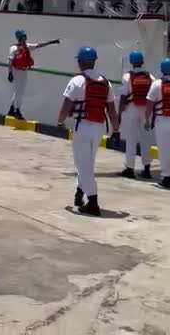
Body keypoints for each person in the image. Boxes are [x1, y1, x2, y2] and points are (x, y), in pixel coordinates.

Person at [57, 47, 119, 216]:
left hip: (82, 126)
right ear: (94, 61)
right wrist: (117, 130)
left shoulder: (76, 81)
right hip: (98, 127)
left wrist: (60, 121)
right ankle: (79, 193)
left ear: (80, 62)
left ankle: (93, 202)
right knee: (88, 163)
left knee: (82, 164)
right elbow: (112, 111)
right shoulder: (106, 82)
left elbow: (66, 106)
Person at [145, 58, 170, 189]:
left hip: (162, 120)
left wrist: (147, 119)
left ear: (162, 69)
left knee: (164, 149)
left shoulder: (157, 84)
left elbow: (149, 104)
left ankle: (167, 178)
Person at [7, 30, 60, 120]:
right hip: (16, 71)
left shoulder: (27, 46)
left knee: (18, 92)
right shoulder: (14, 48)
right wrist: (10, 73)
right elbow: (10, 61)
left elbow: (39, 45)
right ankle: (17, 111)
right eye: (24, 35)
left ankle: (12, 110)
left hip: (24, 71)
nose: (26, 37)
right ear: (21, 37)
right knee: (20, 92)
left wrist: (51, 42)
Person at [118, 50, 153, 179]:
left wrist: (119, 113)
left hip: (131, 108)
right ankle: (147, 168)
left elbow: (123, 97)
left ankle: (130, 168)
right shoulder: (150, 77)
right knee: (145, 139)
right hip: (145, 109)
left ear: (132, 62)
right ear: (142, 61)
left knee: (131, 139)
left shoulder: (127, 77)